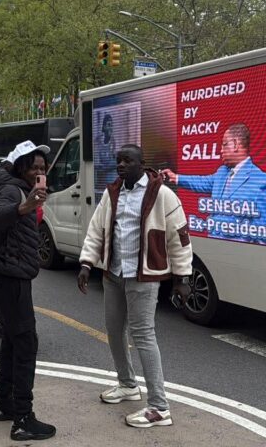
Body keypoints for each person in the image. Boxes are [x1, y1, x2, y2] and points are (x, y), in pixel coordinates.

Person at [78, 144, 193, 429]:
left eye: (127, 161)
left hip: (144, 276)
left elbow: (179, 237)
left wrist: (183, 278)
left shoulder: (161, 194)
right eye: (118, 161)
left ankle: (159, 407)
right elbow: (97, 230)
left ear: (142, 164)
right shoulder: (112, 192)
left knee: (143, 335)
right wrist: (86, 263)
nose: (121, 165)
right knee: (114, 330)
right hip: (114, 273)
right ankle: (128, 385)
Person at [0, 140, 55, 441]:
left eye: (42, 167)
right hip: (9, 278)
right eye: (33, 167)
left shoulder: (18, 188)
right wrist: (23, 206)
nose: (39, 172)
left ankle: (3, 405)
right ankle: (23, 418)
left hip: (10, 277)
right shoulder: (12, 190)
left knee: (13, 342)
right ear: (20, 167)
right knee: (26, 343)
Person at [161, 123, 266, 246]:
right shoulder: (222, 172)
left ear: (235, 144)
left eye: (224, 145)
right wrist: (175, 177)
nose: (220, 150)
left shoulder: (263, 183)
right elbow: (202, 182)